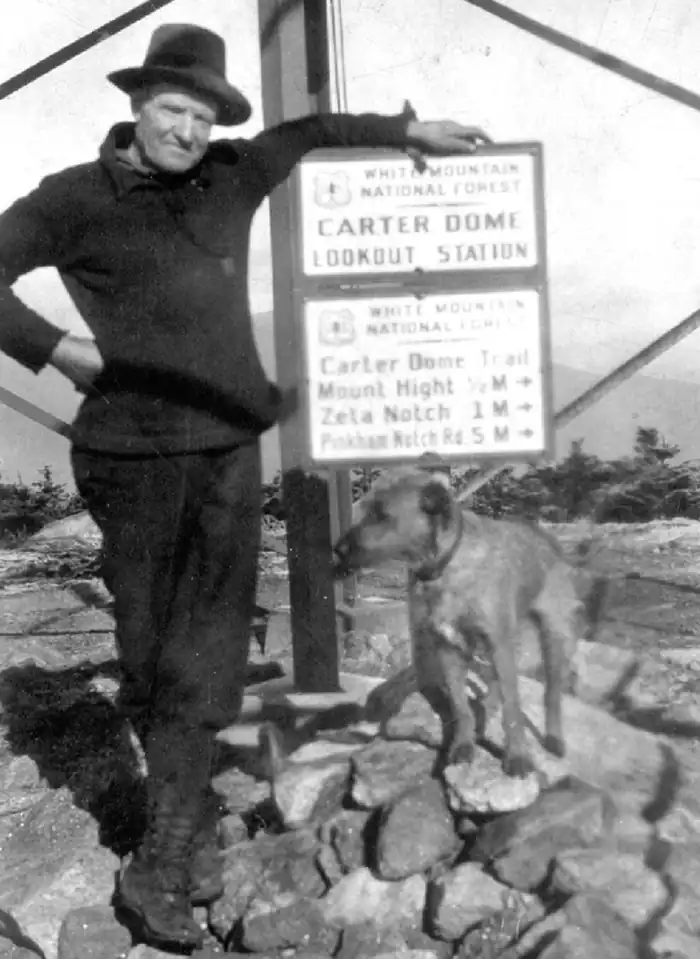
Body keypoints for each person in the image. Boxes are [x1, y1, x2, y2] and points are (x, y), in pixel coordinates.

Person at [0, 22, 491, 949]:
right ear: (137, 108)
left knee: (207, 653)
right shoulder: (72, 200)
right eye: (171, 111)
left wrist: (407, 131)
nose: (186, 130)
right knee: (149, 656)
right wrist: (55, 347)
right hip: (132, 459)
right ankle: (175, 825)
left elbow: (309, 134)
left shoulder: (231, 173)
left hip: (227, 451)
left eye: (202, 114)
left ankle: (161, 860)